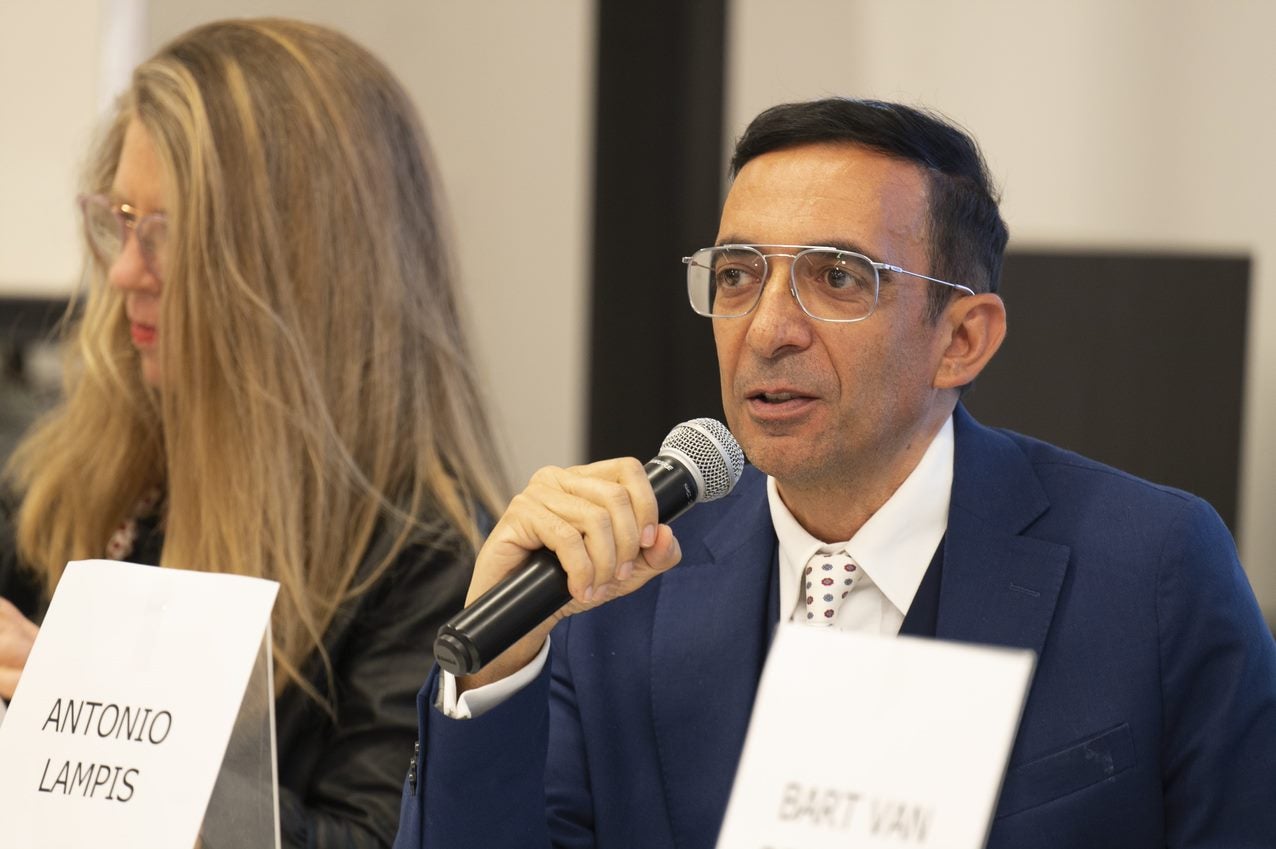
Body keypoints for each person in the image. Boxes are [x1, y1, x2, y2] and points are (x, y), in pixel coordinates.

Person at [393, 98, 1276, 849]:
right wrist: (497, 665)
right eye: (737, 275)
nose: (767, 328)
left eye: (838, 278)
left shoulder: (1152, 569)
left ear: (962, 339)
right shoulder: (622, 580)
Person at [0, 18, 507, 849]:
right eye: (122, 220)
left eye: (166, 234)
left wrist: (89, 721)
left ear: (295, 269)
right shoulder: (78, 474)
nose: (123, 271)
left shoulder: (431, 560)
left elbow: (379, 840)